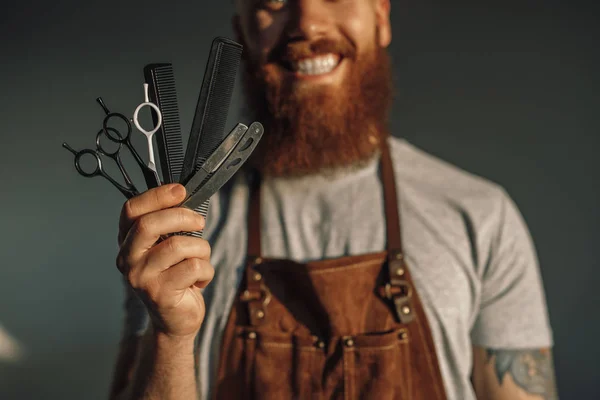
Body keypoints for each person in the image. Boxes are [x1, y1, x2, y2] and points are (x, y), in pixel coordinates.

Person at [108, 0, 557, 399]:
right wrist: (170, 337)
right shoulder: (180, 232)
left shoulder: (479, 216)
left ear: (380, 16)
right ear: (242, 31)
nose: (307, 21)